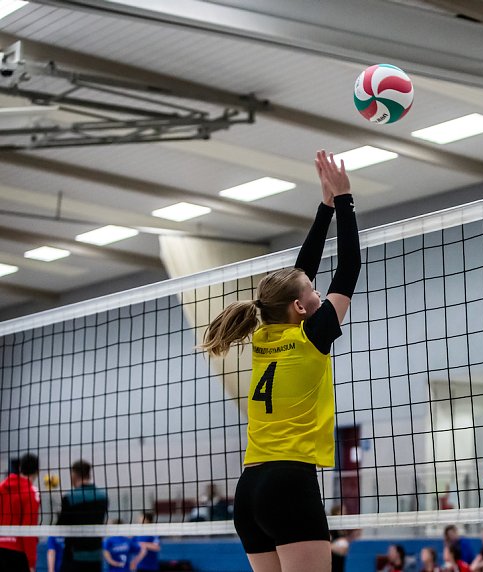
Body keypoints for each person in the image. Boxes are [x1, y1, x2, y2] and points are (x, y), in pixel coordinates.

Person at [201, 150, 361, 572]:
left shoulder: (264, 333)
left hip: (250, 489)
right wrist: (344, 200)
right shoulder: (311, 337)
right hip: (290, 485)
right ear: (301, 307)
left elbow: (299, 274)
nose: (318, 289)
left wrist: (324, 208)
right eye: (313, 289)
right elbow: (348, 268)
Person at [56, 460, 109, 572]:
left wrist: (60, 512)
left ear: (74, 474)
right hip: (96, 557)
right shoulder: (103, 496)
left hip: (74, 556)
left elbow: (60, 527)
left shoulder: (70, 497)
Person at [0, 453, 40, 572]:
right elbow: (28, 530)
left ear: (19, 468)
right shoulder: (31, 493)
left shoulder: (1, 487)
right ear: (37, 471)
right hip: (17, 554)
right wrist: (31, 562)